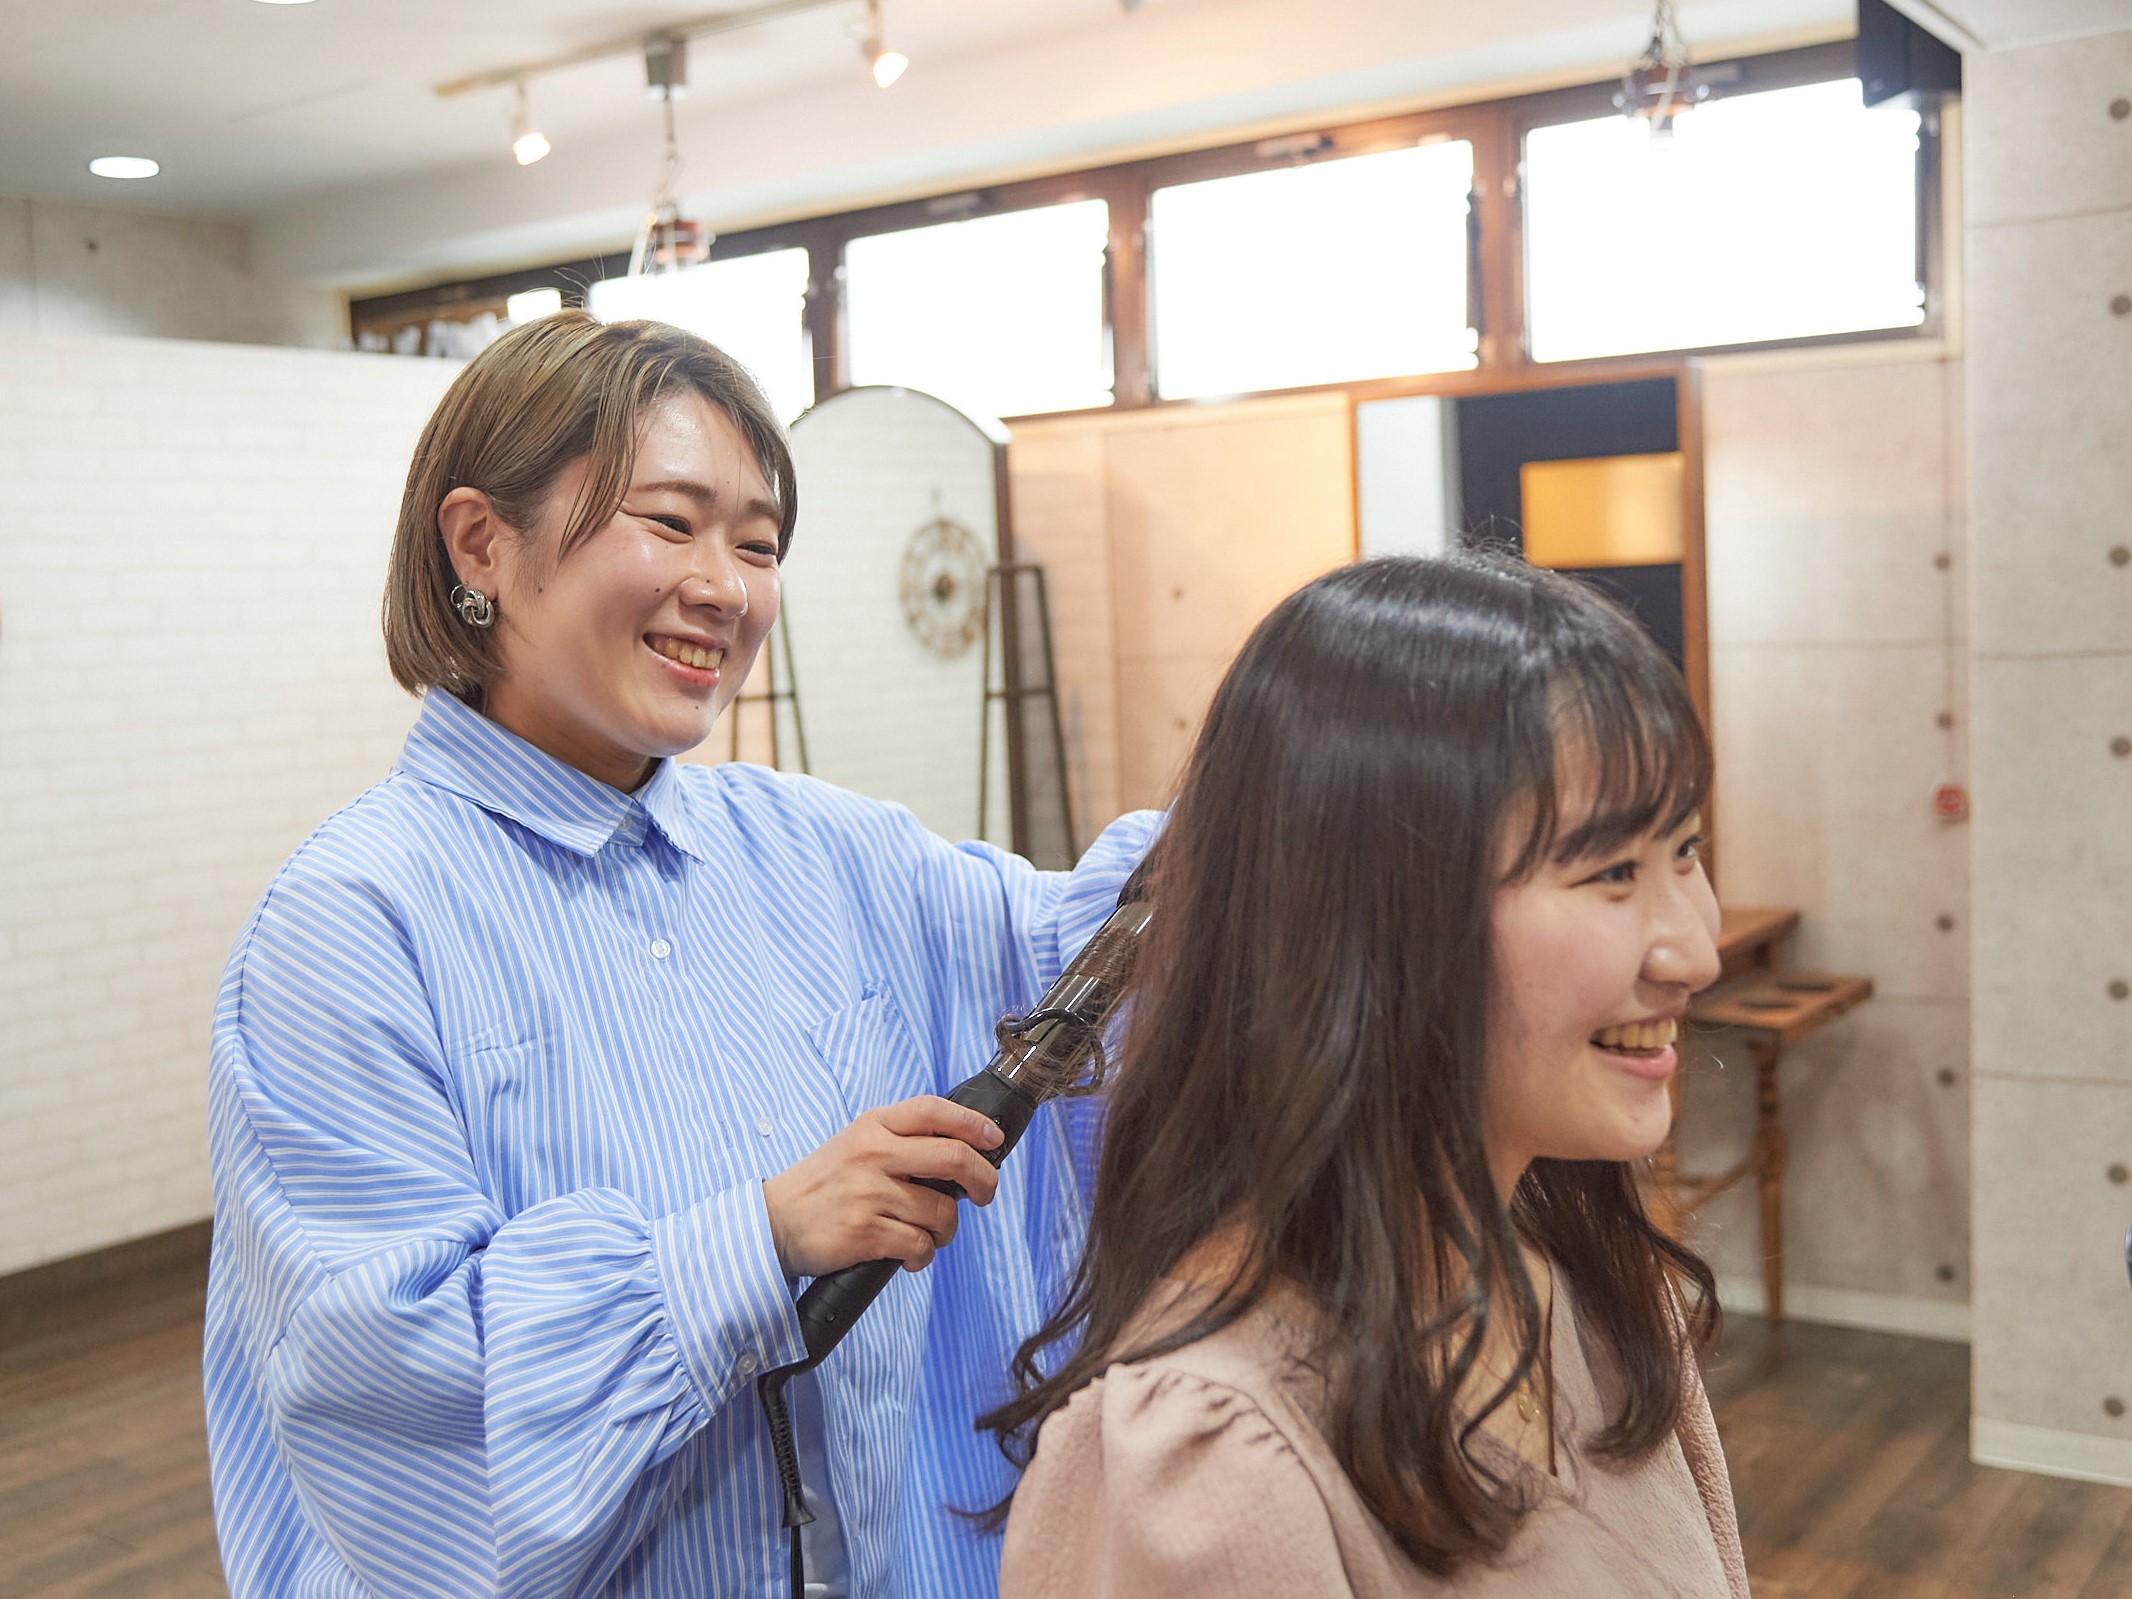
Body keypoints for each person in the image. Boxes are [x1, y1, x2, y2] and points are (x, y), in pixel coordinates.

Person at [202, 312, 1157, 1599]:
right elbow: (394, 1385)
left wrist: (1300, 762)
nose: (725, 587)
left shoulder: (811, 846)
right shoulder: (353, 924)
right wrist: (755, 1246)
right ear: (481, 542)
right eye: (669, 522)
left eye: (758, 543)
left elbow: (1086, 962)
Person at [990, 554, 1747, 1598]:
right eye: (1610, 872)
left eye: (1686, 851)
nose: (1692, 950)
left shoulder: (1598, 1288)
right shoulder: (1214, 1460)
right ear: (1377, 925)